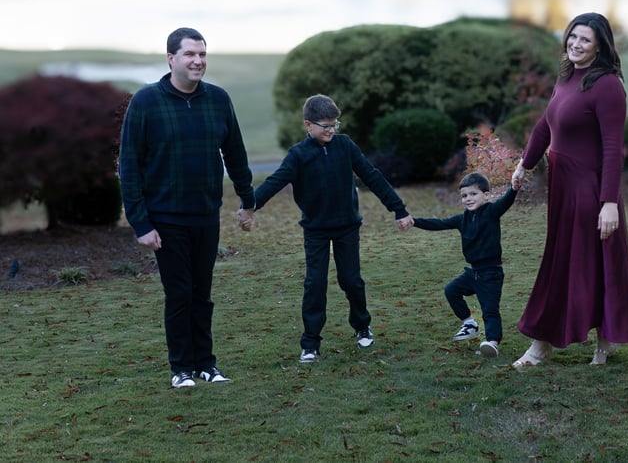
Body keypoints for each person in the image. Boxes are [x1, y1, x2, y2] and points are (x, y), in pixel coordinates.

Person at [510, 12, 628, 367]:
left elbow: (613, 149)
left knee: (583, 265)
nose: (576, 44)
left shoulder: (608, 86)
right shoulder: (567, 76)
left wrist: (609, 203)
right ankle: (578, 342)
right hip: (563, 188)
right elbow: (547, 124)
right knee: (578, 263)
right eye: (573, 36)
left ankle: (550, 345)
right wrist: (525, 163)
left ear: (600, 46)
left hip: (589, 190)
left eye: (585, 39)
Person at [119, 27, 255, 388]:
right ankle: (181, 367)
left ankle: (206, 364)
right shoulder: (146, 102)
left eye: (202, 54)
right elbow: (129, 166)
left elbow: (236, 155)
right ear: (171, 59)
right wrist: (140, 223)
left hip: (206, 215)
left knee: (202, 295)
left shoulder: (218, 99)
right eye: (190, 54)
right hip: (166, 219)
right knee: (179, 294)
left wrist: (247, 200)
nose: (198, 61)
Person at [239, 94, 414, 363]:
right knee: (315, 284)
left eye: (335, 125)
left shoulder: (345, 146)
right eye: (326, 126)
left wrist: (398, 209)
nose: (332, 130)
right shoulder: (298, 155)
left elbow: (371, 175)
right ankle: (310, 343)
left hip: (347, 227)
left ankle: (362, 326)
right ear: (308, 125)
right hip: (316, 230)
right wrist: (249, 207)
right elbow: (275, 182)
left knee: (351, 280)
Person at [411, 172, 518, 358]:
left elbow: (506, 201)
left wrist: (514, 188)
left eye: (473, 194)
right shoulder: (462, 219)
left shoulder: (492, 212)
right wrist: (413, 222)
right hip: (473, 273)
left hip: (490, 274)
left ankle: (492, 343)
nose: (468, 199)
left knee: (489, 311)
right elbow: (439, 223)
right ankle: (469, 323)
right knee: (451, 290)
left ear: (486, 195)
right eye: (464, 196)